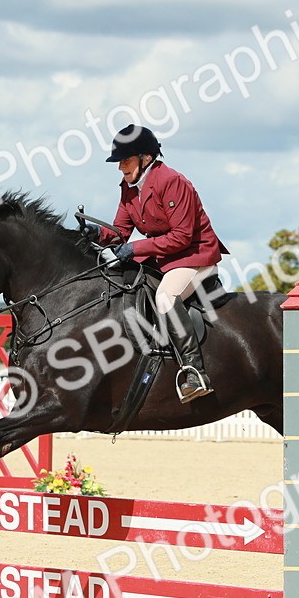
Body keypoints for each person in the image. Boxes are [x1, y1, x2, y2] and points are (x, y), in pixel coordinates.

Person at [92, 124, 227, 403]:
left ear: (146, 158)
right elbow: (120, 230)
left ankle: (194, 372)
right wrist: (95, 235)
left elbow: (181, 236)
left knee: (166, 297)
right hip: (165, 258)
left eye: (125, 161)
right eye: (120, 162)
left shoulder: (172, 182)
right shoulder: (129, 187)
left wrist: (135, 248)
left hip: (194, 256)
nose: (120, 168)